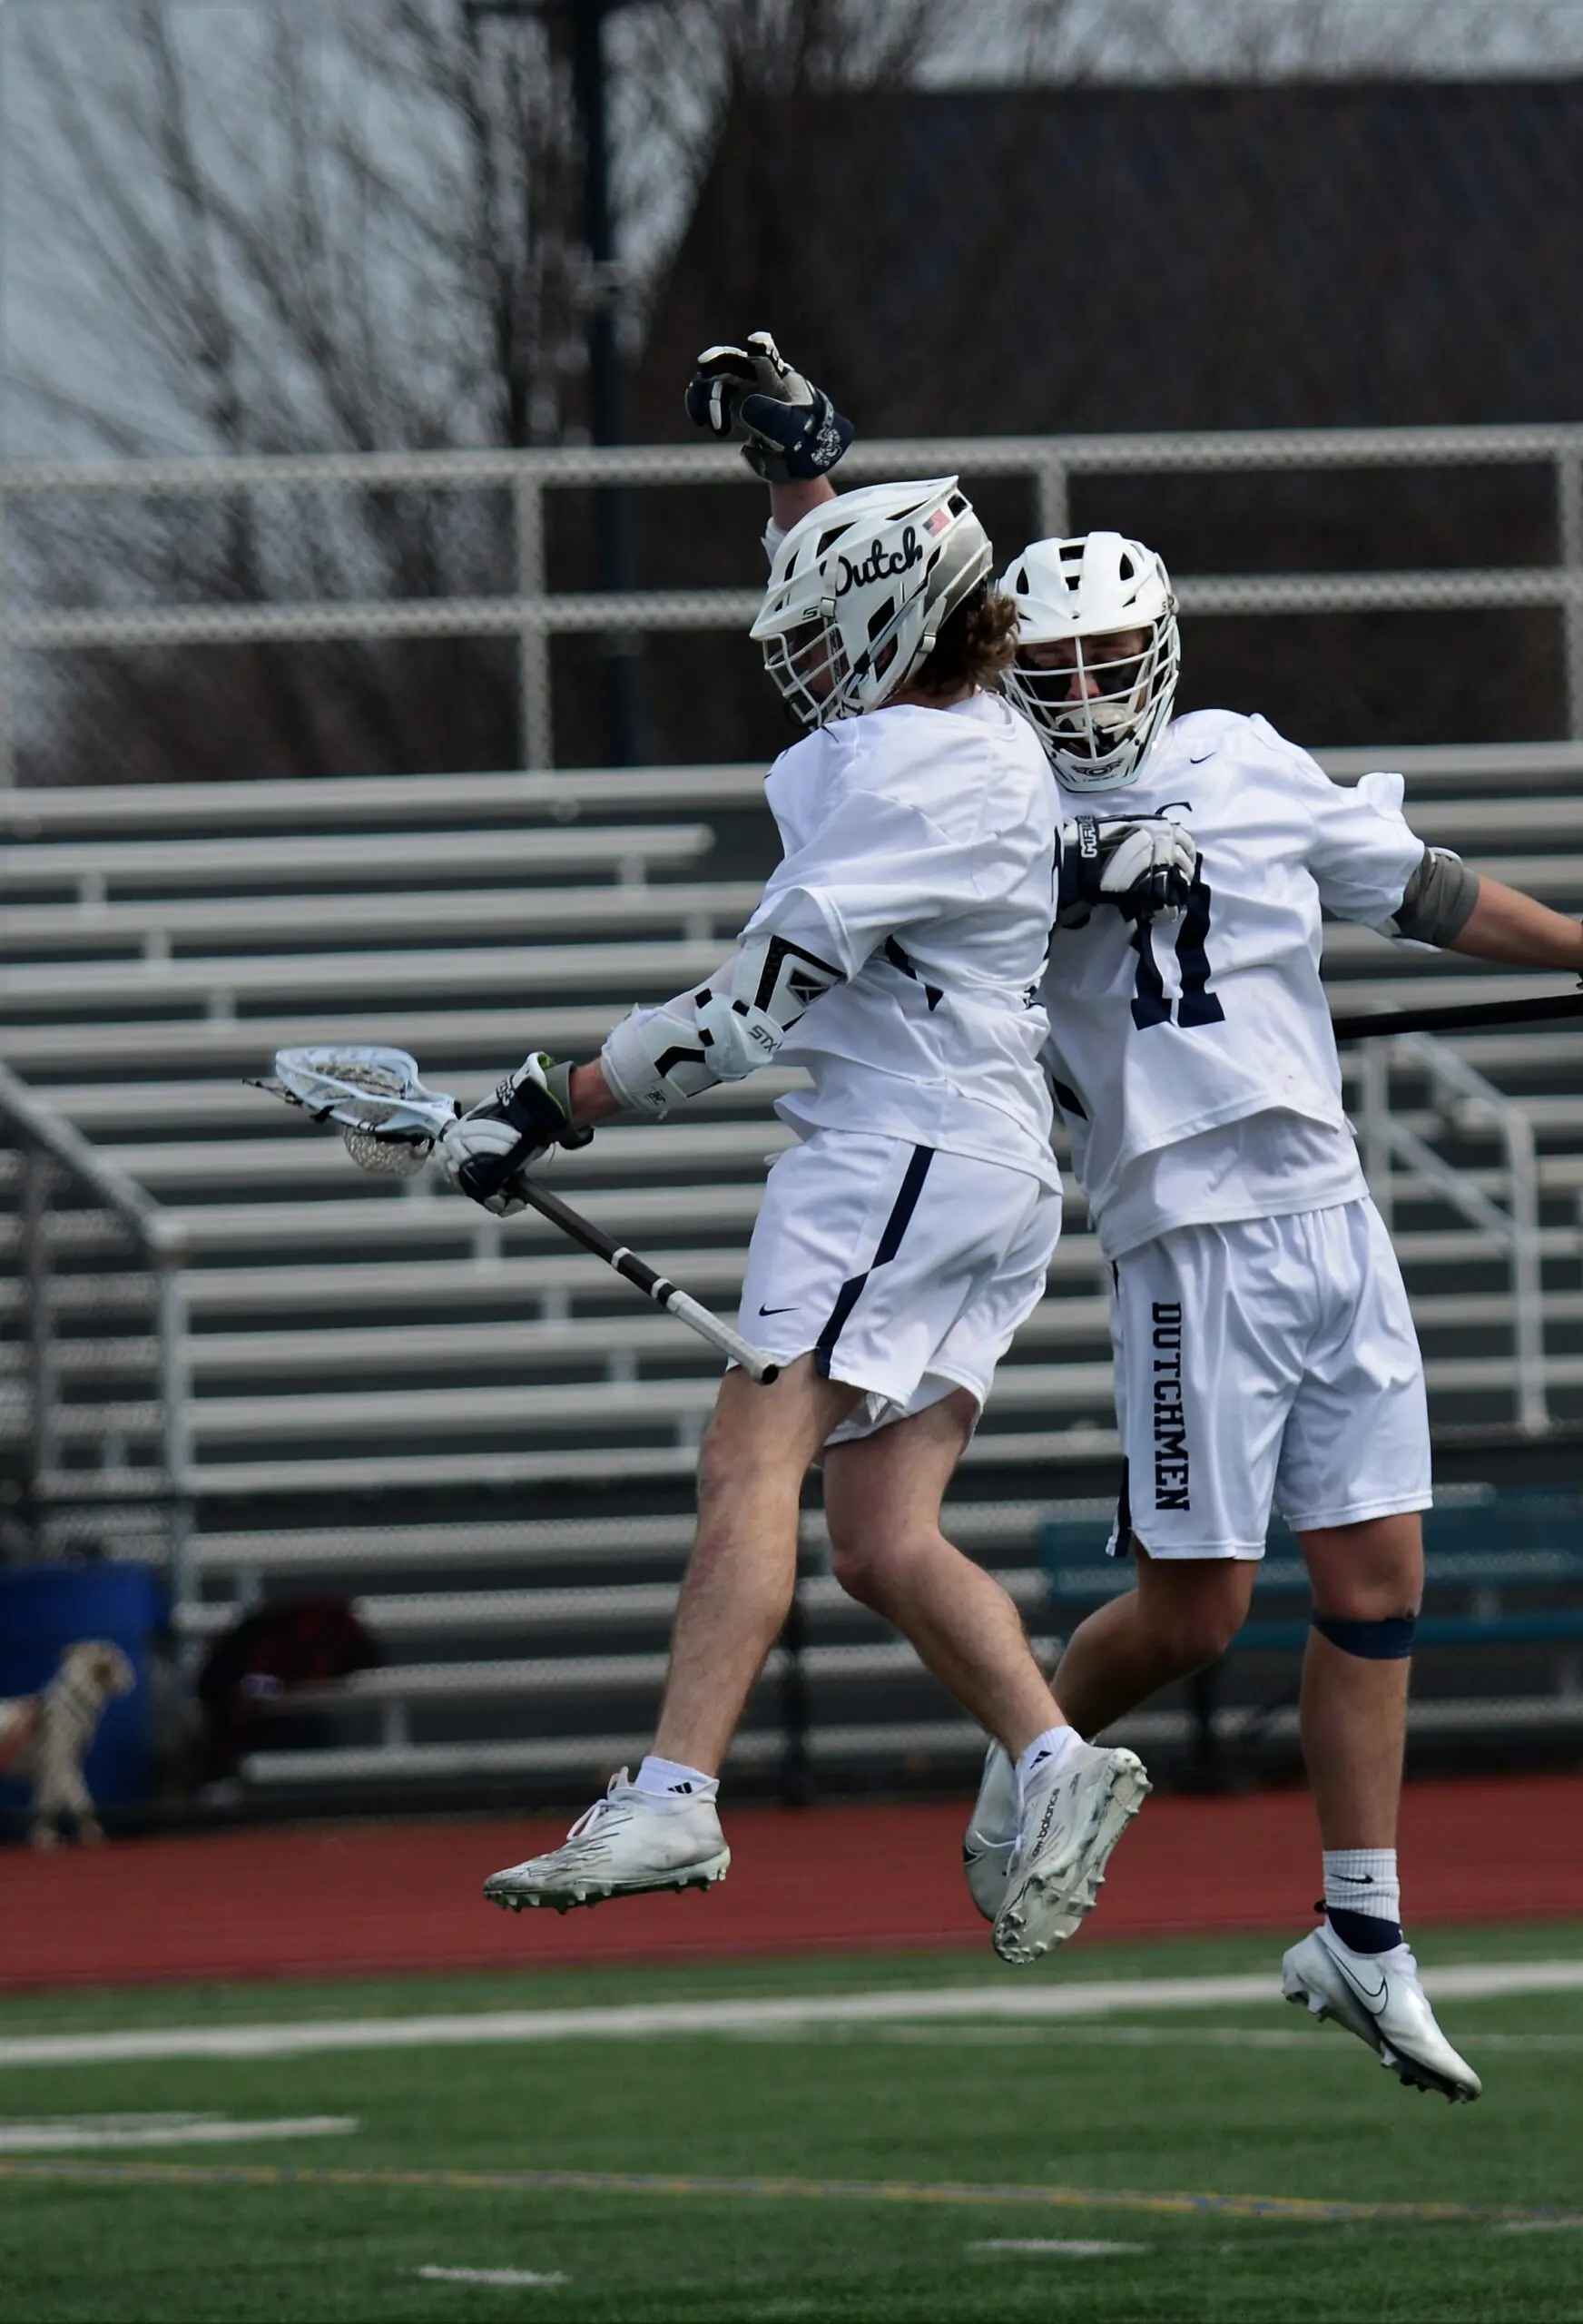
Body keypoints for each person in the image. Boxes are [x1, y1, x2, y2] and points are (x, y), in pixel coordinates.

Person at [956, 525, 1583, 2102]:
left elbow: (1419, 891)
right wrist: (1080, 869)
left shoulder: (1239, 760)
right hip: (1182, 1230)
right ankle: (1025, 1761)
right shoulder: (989, 807)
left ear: (1162, 652)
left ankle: (1360, 1932)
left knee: (1380, 1578)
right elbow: (940, 938)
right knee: (1197, 1615)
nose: (1089, 689)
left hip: (1331, 1215)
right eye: (1055, 668)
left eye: (1110, 658)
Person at [452, 338, 1186, 1965]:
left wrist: (553, 1096)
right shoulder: (975, 709)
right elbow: (889, 584)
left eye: (816, 623)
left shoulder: (916, 780)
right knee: (878, 1538)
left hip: (897, 1152)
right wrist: (802, 469)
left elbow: (742, 1012)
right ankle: (1056, 1759)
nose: (794, 651)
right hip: (978, 1167)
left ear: (885, 629)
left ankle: (675, 1787)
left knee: (748, 1462)